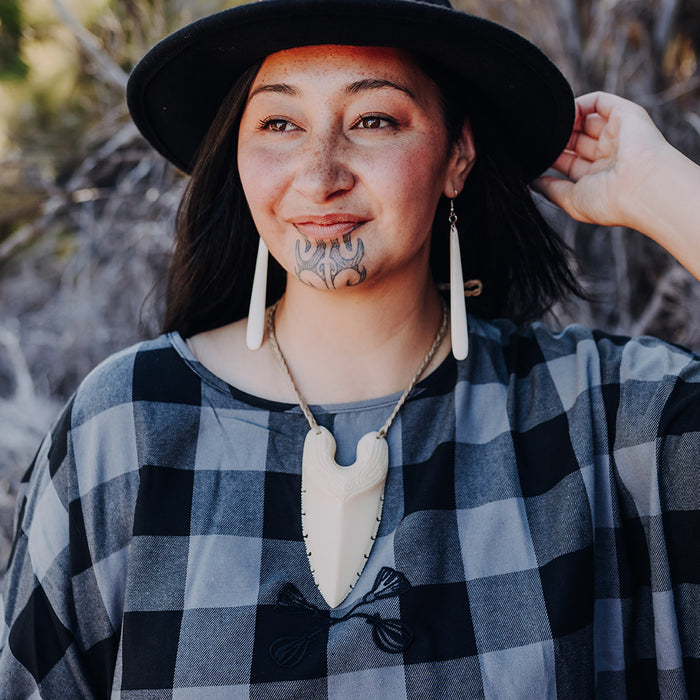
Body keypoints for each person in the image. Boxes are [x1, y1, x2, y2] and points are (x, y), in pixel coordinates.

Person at [1, 0, 699, 696]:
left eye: (373, 120)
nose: (319, 172)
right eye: (280, 122)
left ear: (457, 156)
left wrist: (657, 189)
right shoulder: (126, 425)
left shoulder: (600, 416)